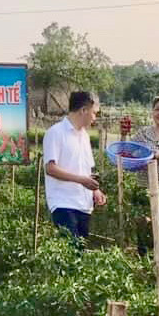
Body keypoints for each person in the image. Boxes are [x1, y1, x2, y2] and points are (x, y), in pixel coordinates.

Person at [43, 91, 107, 240]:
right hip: (63, 202)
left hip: (84, 204)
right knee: (72, 250)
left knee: (80, 253)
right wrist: (81, 180)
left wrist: (95, 191)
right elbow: (50, 168)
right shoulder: (55, 133)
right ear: (84, 110)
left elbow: (87, 169)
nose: (95, 118)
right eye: (94, 113)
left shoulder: (84, 135)